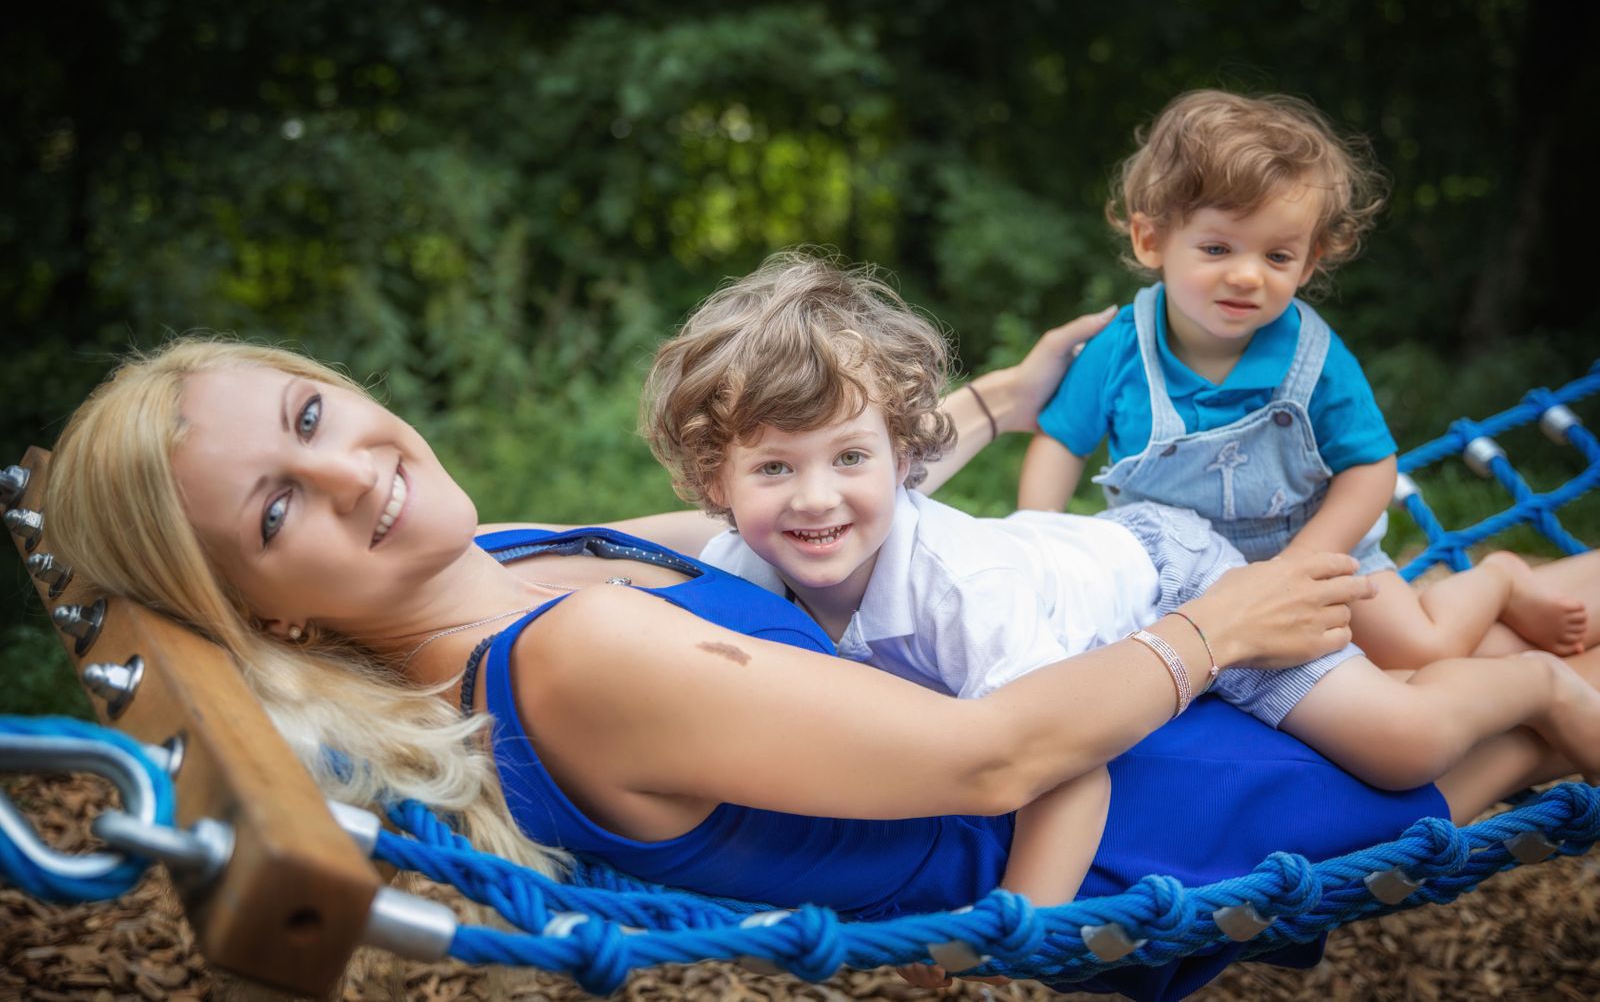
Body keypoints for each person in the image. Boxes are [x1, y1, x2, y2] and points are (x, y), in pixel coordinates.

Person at [40, 330, 1600, 1001]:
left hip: (1098, 697)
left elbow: (785, 511)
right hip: (1106, 809)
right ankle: (1537, 678)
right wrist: (1216, 629)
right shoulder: (575, 657)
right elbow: (989, 758)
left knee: (1435, 623)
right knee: (1470, 738)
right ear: (274, 613)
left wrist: (996, 398)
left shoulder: (509, 553)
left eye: (311, 417)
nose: (351, 472)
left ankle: (1514, 602)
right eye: (276, 511)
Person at [640, 249, 1600, 943]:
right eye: (774, 467)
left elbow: (1070, 766)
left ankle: (1539, 683)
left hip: (1181, 575)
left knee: (1402, 745)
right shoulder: (738, 567)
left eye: (850, 457)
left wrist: (1015, 928)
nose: (815, 498)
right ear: (716, 481)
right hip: (1086, 576)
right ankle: (1477, 614)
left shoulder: (962, 596)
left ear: (907, 461)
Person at [1018, 89, 1587, 669]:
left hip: (1308, 554)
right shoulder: (1121, 349)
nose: (1247, 275)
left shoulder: (1313, 358)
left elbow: (1371, 467)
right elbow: (1062, 443)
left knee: (1420, 651)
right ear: (1151, 241)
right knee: (1122, 666)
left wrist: (1300, 565)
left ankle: (1499, 580)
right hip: (1169, 571)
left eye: (1277, 257)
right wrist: (1043, 547)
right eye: (1217, 248)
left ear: (1309, 262)